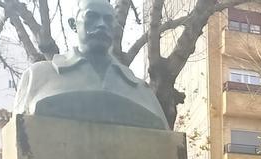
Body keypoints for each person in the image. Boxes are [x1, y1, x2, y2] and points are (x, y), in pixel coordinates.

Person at [13, 0, 169, 129]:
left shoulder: (142, 91)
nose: (101, 25)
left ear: (115, 28)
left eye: (108, 20)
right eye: (92, 17)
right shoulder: (38, 77)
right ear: (73, 24)